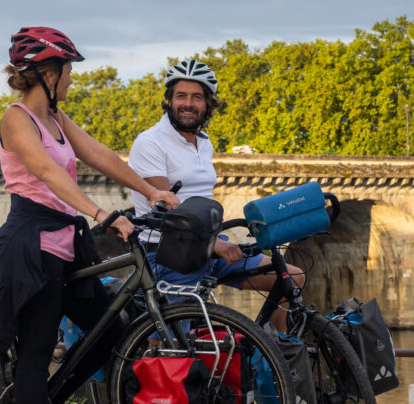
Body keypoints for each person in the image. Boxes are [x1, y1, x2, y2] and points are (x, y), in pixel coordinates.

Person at [0, 26, 180, 404]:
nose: (72, 79)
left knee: (109, 331)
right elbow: (45, 171)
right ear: (47, 72)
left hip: (65, 244)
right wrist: (100, 212)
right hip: (31, 243)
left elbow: (97, 154)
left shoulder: (56, 118)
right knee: (33, 356)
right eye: (68, 70)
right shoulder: (16, 119)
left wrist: (149, 190)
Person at [128, 58, 303, 331]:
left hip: (208, 246)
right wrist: (214, 244)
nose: (188, 103)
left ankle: (275, 356)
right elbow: (166, 208)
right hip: (167, 254)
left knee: (290, 277)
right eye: (181, 96)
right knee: (177, 345)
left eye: (197, 97)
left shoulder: (204, 142)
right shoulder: (150, 142)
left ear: (208, 103)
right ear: (169, 100)